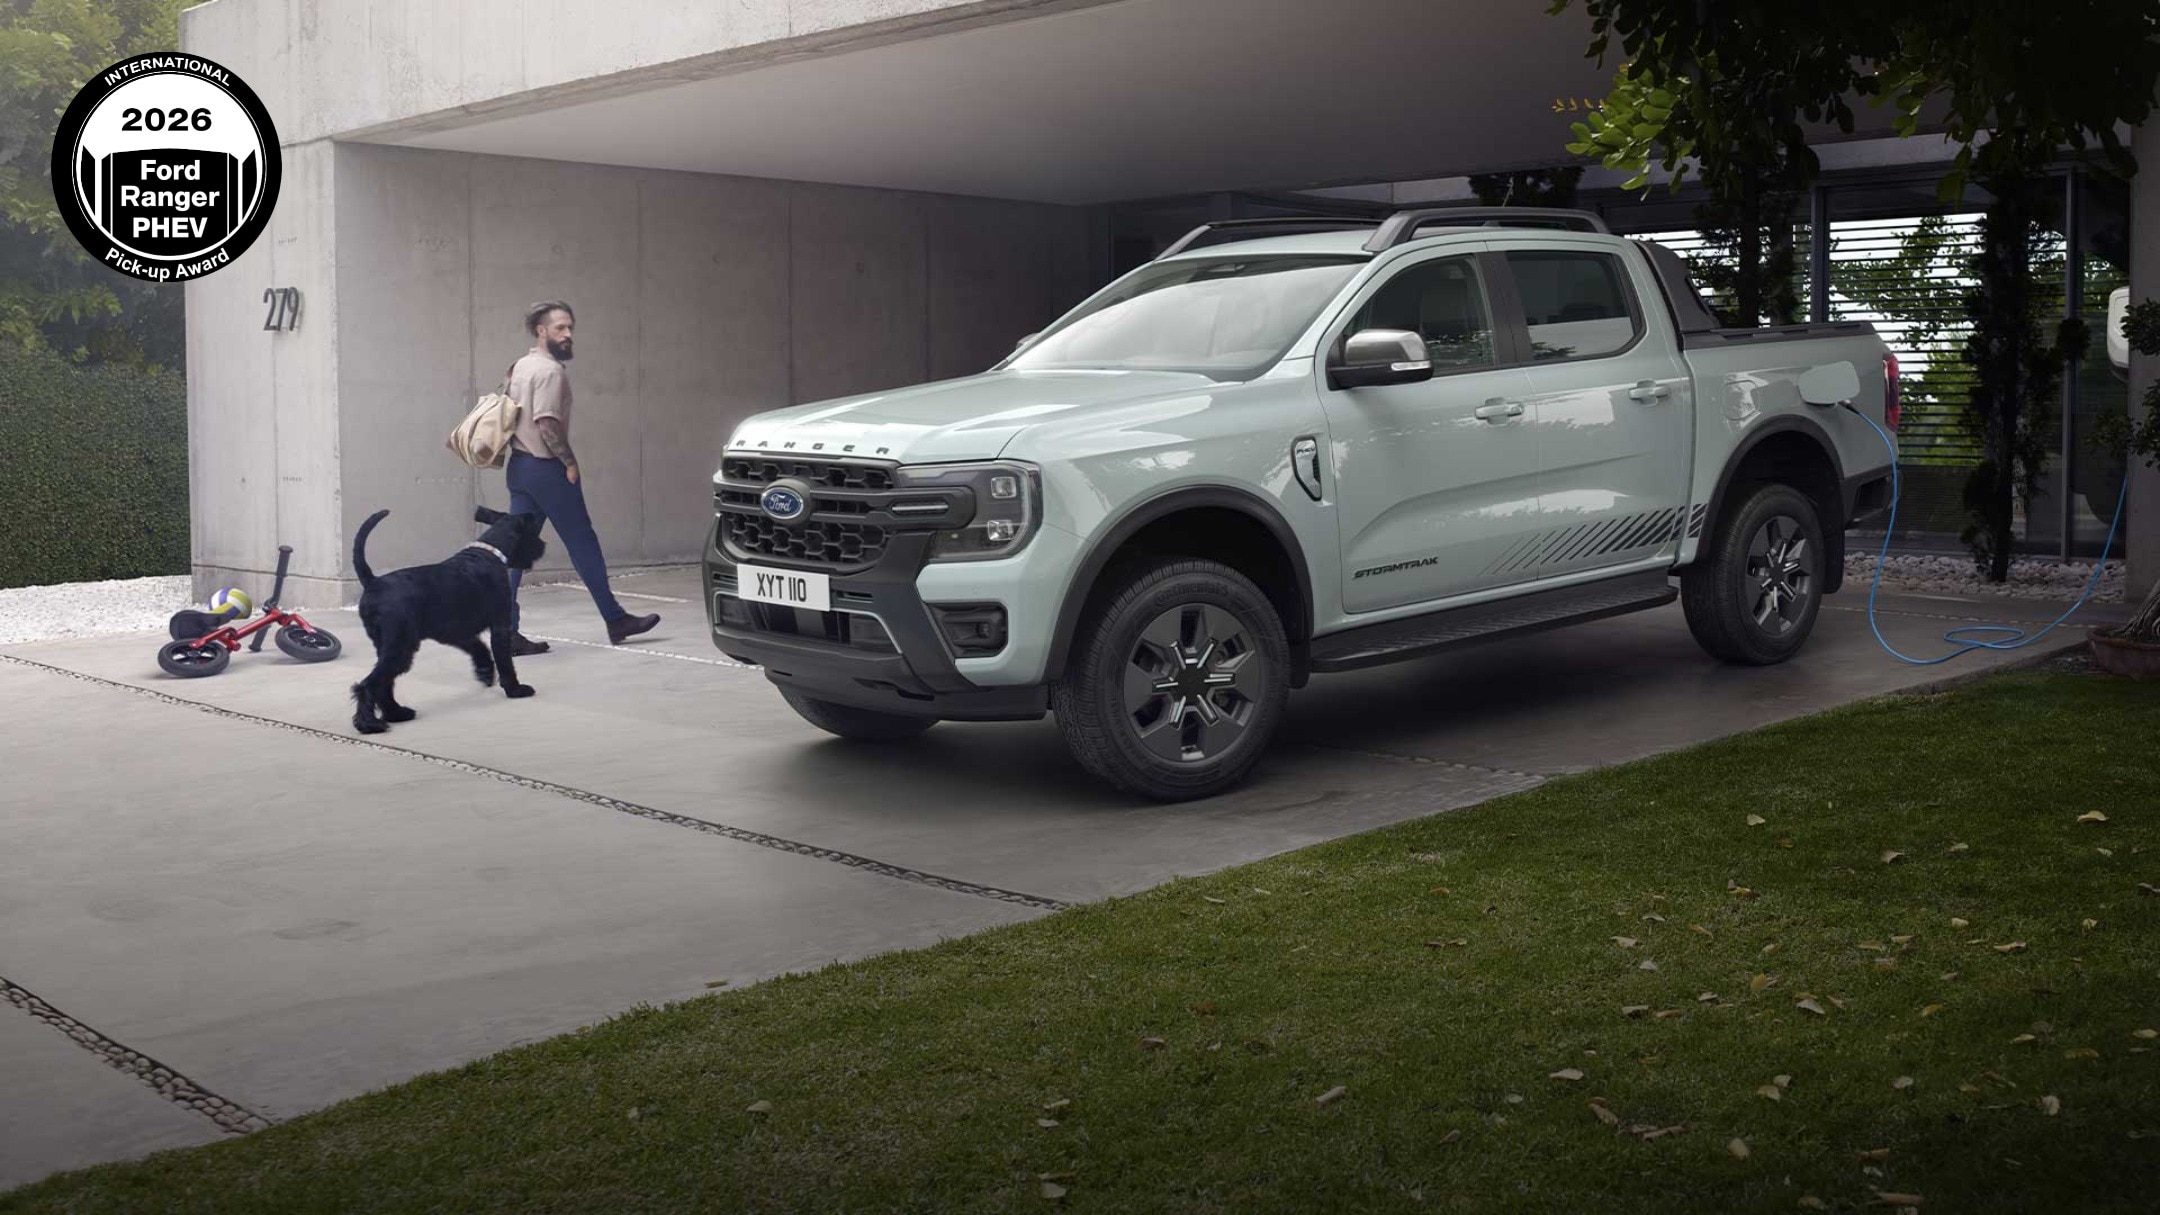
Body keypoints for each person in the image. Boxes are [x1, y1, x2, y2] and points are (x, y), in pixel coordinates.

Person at [500, 300, 660, 653]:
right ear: (541, 331)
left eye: (570, 327)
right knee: (582, 541)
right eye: (560, 328)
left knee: (514, 550)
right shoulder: (550, 372)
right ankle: (616, 619)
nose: (569, 334)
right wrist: (569, 462)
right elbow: (546, 422)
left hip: (520, 467)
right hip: (545, 468)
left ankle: (506, 631)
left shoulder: (520, 367)